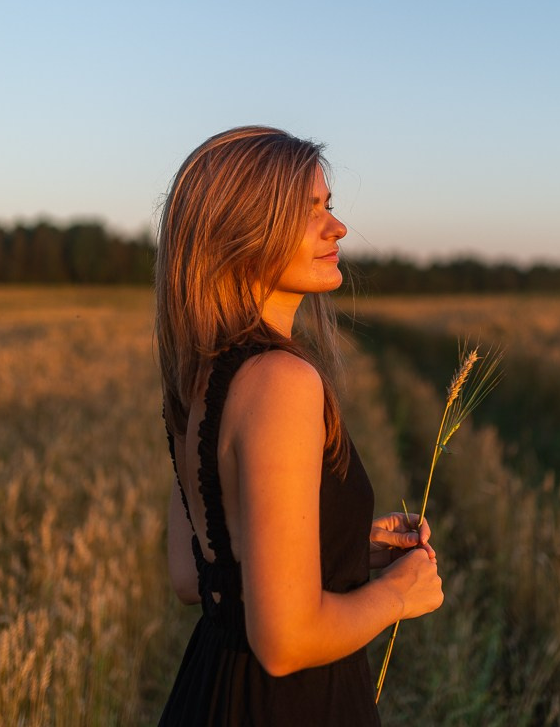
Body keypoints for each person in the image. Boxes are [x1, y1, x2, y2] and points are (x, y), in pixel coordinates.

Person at [155, 126, 443, 726]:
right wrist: (398, 594)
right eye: (307, 211)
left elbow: (194, 574)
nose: (337, 227)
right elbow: (285, 642)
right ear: (239, 231)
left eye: (328, 205)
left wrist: (343, 548)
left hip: (210, 689)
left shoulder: (200, 374)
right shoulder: (279, 380)